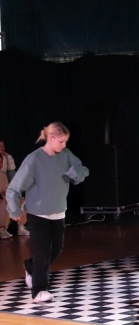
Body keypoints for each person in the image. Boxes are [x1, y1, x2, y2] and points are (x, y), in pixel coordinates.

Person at [6, 122, 89, 302]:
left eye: (65, 142)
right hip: (38, 213)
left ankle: (31, 267)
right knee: (42, 251)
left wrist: (75, 173)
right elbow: (14, 187)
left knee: (56, 249)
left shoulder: (66, 154)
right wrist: (13, 209)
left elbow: (83, 170)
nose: (64, 145)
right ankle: (39, 290)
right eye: (61, 141)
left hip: (58, 210)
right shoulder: (34, 159)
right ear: (50, 138)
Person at [0, 140, 29, 239]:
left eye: (1, 161)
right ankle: (2, 229)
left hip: (5, 193)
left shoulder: (3, 173)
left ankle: (21, 227)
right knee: (4, 202)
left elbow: (12, 168)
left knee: (21, 201)